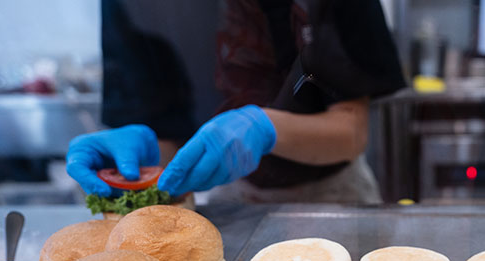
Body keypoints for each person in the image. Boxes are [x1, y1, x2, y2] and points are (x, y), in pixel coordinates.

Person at [66, 0, 405, 204]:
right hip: (229, 198)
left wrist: (265, 128)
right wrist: (136, 162)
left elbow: (352, 130)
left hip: (332, 195)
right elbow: (166, 135)